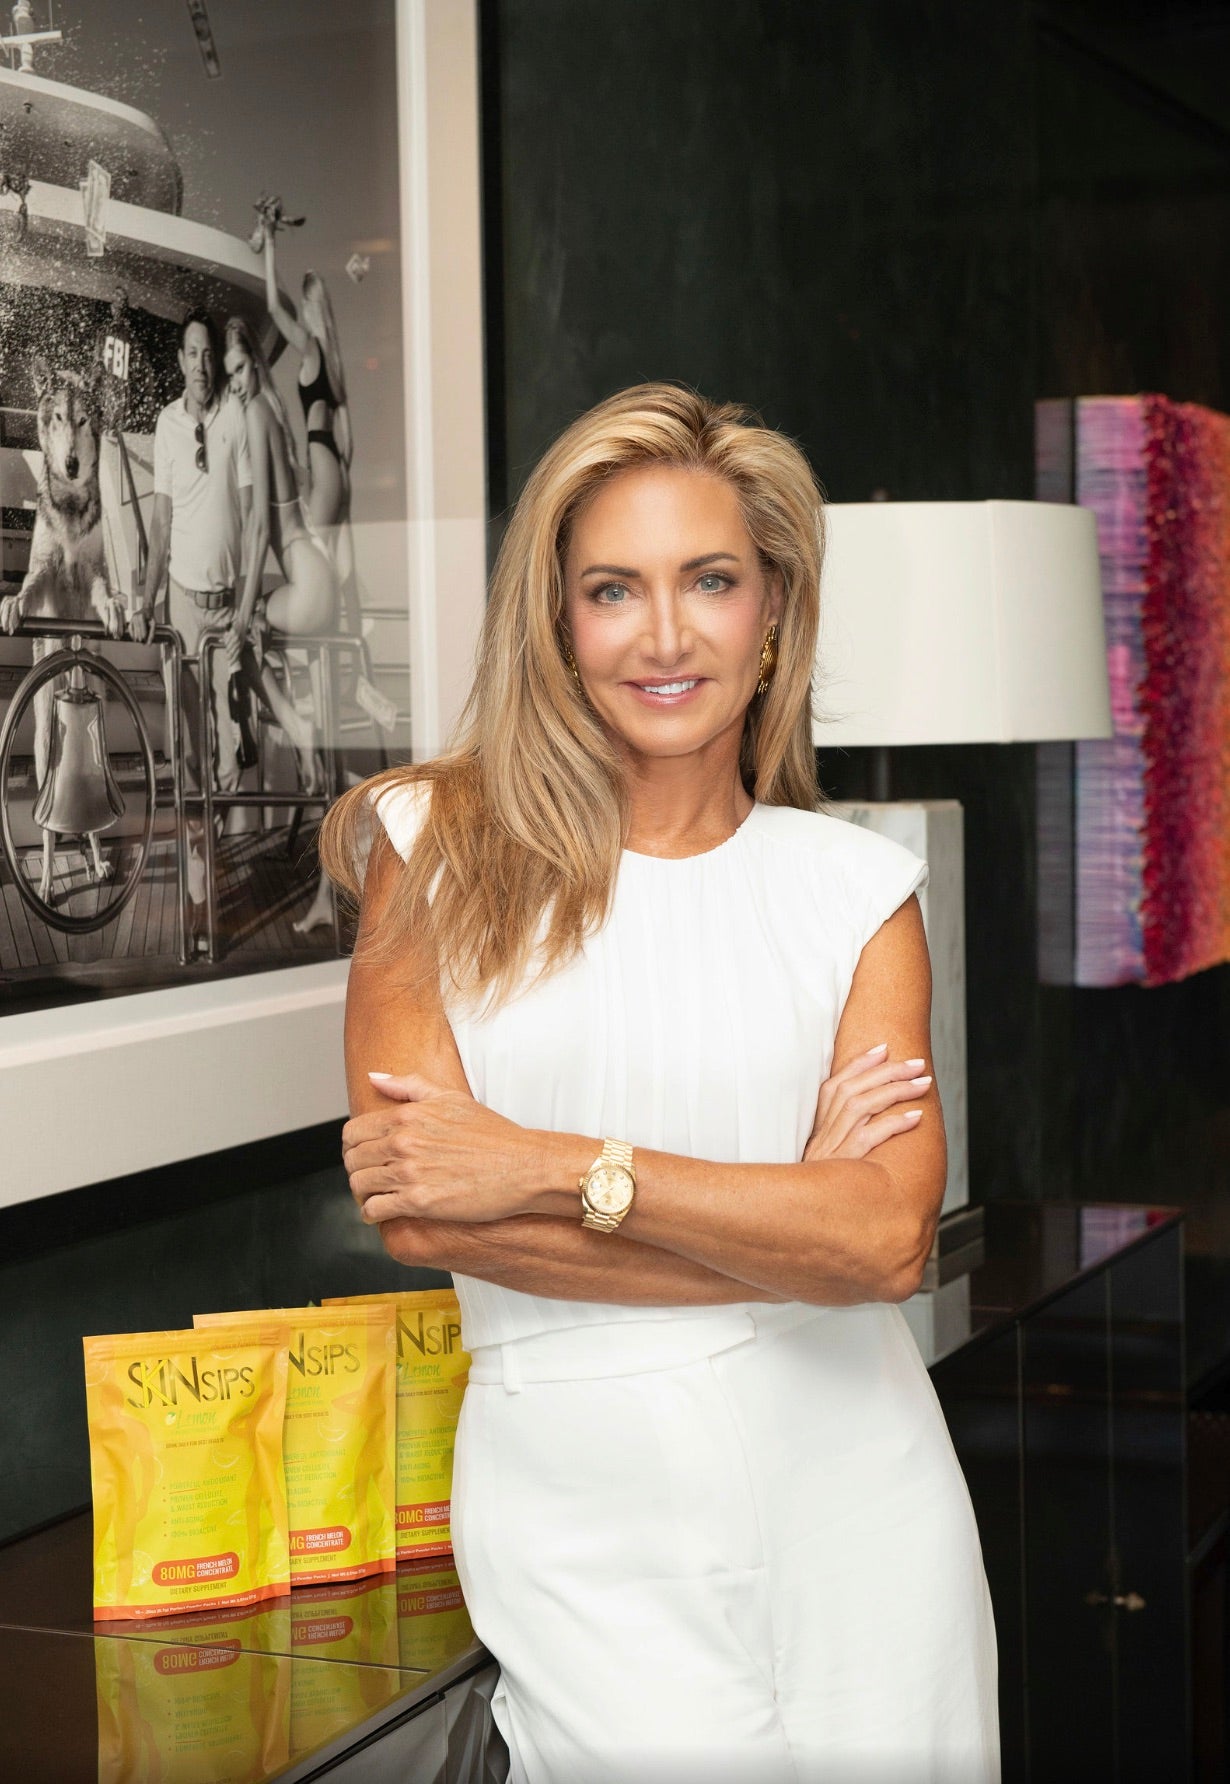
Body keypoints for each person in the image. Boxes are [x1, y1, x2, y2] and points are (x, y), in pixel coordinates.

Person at [321, 384, 1000, 1783]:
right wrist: (789, 1228)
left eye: (711, 580)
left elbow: (887, 1243)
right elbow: (426, 1212)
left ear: (772, 610)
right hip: (580, 1512)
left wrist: (548, 1165)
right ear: (557, 622)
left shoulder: (856, 890)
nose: (666, 635)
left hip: (862, 1494)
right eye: (612, 590)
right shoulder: (430, 845)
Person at [131, 309, 251, 912]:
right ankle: (200, 859)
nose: (201, 364)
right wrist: (144, 599)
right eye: (193, 353)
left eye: (208, 354)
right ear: (180, 360)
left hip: (228, 613)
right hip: (181, 607)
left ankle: (211, 835)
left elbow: (250, 516)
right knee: (188, 745)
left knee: (231, 752)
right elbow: (161, 524)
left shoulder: (237, 416)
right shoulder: (166, 423)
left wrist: (248, 606)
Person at [221, 315, 335, 796]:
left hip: (306, 586)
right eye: (230, 374)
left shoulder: (254, 412)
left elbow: (260, 527)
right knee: (246, 631)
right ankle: (302, 736)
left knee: (236, 636)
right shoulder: (270, 407)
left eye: (240, 369)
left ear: (256, 363)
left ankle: (296, 728)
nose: (235, 383)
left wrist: (244, 612)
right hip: (315, 578)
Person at [261, 230, 359, 638]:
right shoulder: (334, 364)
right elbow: (349, 442)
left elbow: (273, 308)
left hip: (321, 453)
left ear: (309, 306)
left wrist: (269, 246)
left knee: (314, 565)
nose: (300, 312)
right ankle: (346, 656)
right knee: (332, 567)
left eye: (303, 304)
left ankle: (322, 648)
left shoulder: (313, 348)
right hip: (334, 461)